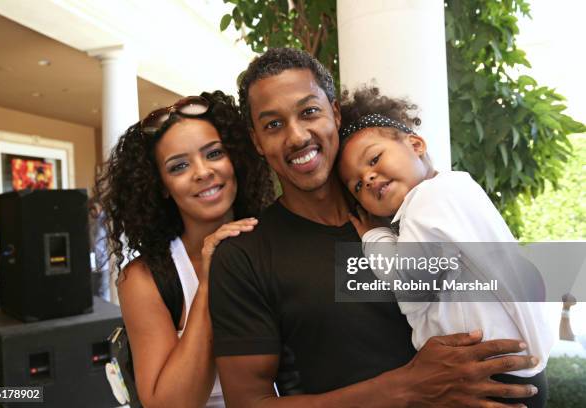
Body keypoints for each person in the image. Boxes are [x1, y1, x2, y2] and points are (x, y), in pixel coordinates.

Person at [209, 47, 541, 407]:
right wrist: (407, 387)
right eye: (273, 124)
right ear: (257, 141)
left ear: (334, 113)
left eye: (309, 112)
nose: (297, 136)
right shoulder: (245, 256)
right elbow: (248, 403)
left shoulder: (412, 210)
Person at [336, 86, 552, 407]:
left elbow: (411, 284)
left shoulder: (427, 200)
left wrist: (374, 236)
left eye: (374, 158)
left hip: (490, 376)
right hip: (505, 370)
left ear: (415, 143)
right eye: (356, 185)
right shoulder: (453, 191)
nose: (367, 177)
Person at [94, 91, 274, 408]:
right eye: (179, 166)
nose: (202, 172)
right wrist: (208, 282)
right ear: (161, 184)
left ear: (235, 159)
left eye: (214, 153)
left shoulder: (278, 240)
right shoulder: (145, 279)